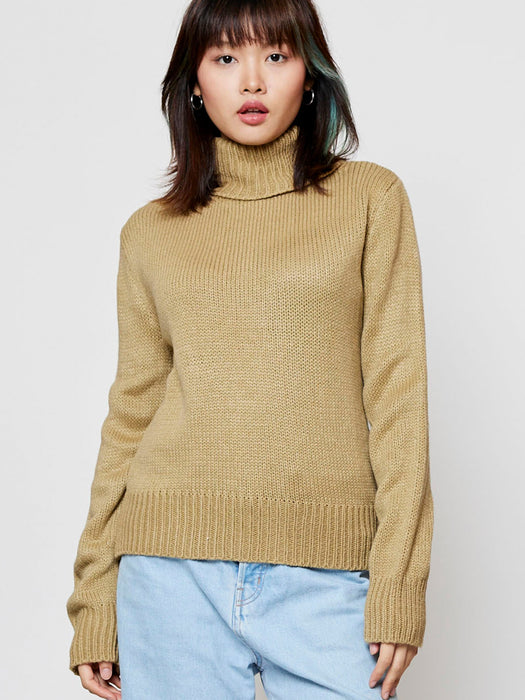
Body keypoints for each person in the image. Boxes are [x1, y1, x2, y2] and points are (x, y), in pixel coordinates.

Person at [66, 1, 434, 698]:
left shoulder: (370, 200)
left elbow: (398, 395)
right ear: (194, 82)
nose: (252, 82)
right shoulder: (150, 231)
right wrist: (95, 601)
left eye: (276, 56)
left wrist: (398, 582)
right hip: (167, 575)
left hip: (326, 575)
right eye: (226, 58)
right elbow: (131, 414)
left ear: (311, 75)